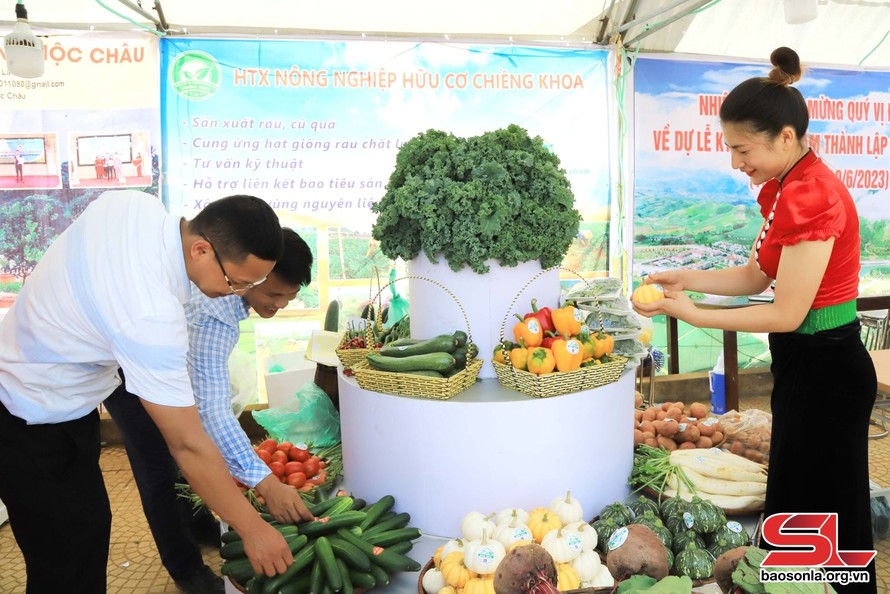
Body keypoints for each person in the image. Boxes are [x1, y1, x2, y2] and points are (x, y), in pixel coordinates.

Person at [633, 47, 876, 594]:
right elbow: (754, 276)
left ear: (785, 137)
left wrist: (693, 315)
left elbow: (789, 313)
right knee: (802, 512)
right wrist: (687, 280)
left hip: (828, 370)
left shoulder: (811, 196)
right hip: (807, 369)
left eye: (742, 149)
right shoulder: (791, 185)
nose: (735, 163)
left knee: (824, 523)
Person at [0, 190, 302, 594]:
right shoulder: (151, 317)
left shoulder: (133, 205)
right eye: (236, 283)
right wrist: (253, 528)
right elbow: (189, 444)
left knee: (87, 530)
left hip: (56, 389)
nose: (235, 295)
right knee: (68, 563)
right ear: (200, 250)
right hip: (32, 414)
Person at [104, 228, 314, 593]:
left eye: (290, 297)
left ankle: (199, 521)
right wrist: (266, 482)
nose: (279, 306)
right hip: (126, 377)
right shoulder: (212, 316)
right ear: (251, 276)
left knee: (189, 454)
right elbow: (213, 415)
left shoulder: (232, 294)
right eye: (273, 294)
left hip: (164, 363)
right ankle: (185, 568)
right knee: (160, 468)